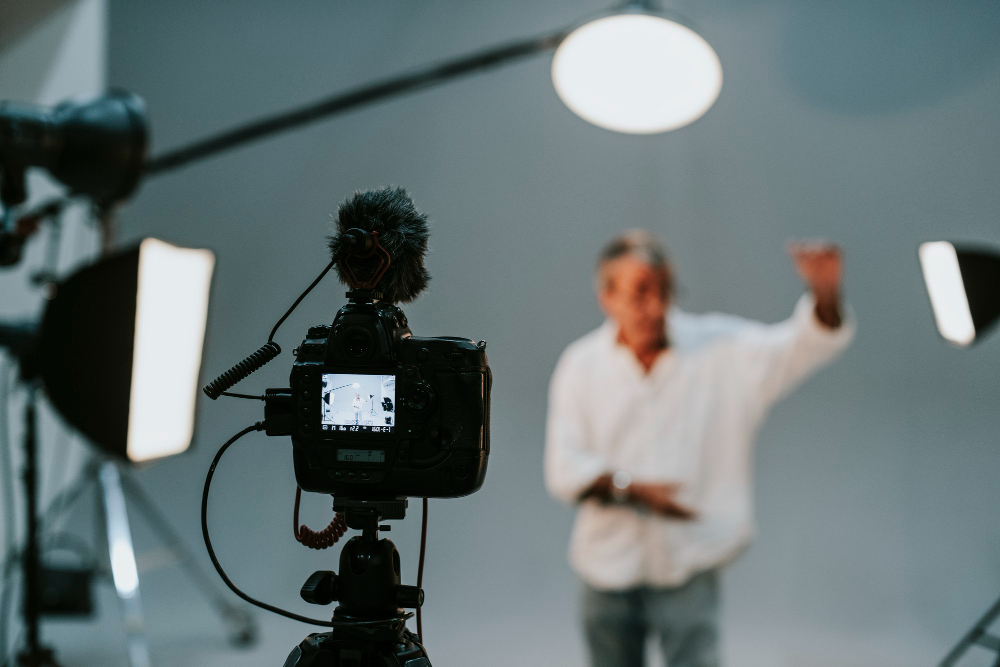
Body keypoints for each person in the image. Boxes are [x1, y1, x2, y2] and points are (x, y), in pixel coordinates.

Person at [544, 231, 855, 667]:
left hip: (688, 562)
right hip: (606, 565)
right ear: (606, 297)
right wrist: (630, 489)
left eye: (665, 291)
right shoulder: (580, 366)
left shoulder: (720, 350)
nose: (656, 306)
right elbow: (563, 467)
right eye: (640, 293)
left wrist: (824, 293)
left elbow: (798, 348)